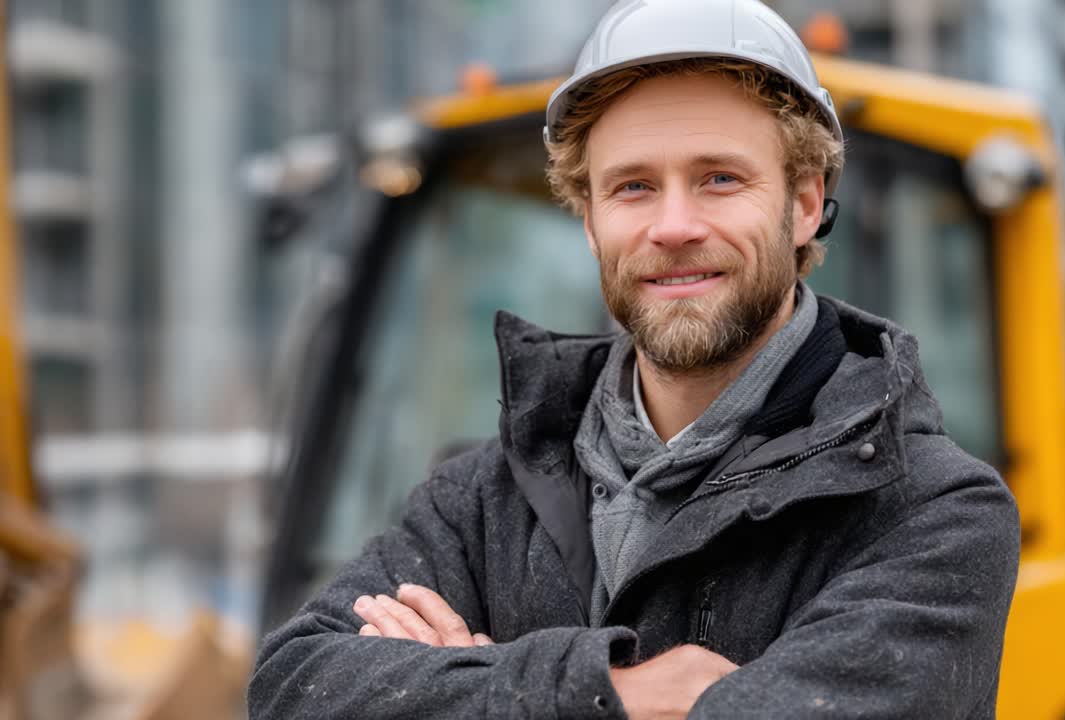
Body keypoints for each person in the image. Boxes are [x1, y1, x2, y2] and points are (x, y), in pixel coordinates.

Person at [248, 0, 1020, 717]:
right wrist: (607, 692)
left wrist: (472, 685)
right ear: (590, 222)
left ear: (806, 204)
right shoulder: (480, 501)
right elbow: (295, 684)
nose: (673, 226)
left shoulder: (932, 513)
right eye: (633, 187)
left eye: (720, 179)